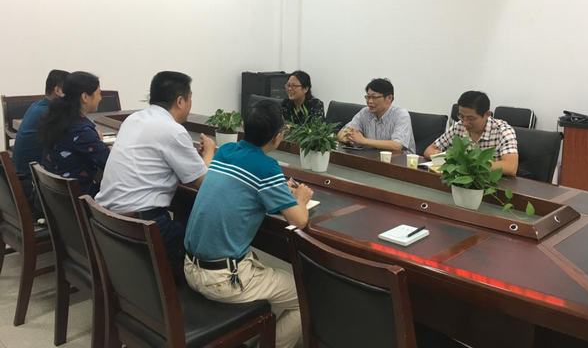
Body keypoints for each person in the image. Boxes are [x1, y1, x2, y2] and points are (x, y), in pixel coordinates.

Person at [184, 100, 313, 348]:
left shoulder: (226, 151)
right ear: (278, 136)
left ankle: (259, 335)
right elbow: (300, 220)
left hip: (191, 268)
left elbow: (222, 181)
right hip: (222, 279)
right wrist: (301, 199)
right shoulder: (267, 167)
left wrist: (278, 189)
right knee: (305, 295)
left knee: (272, 276)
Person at [95, 71, 215, 277]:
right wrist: (209, 152)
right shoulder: (172, 130)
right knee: (211, 244)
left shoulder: (133, 119)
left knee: (186, 219)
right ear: (180, 101)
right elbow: (204, 184)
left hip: (108, 222)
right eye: (190, 98)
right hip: (142, 228)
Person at [40, 71, 110, 197]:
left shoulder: (57, 119)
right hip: (80, 199)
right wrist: (99, 142)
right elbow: (110, 163)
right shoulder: (82, 131)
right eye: (98, 93)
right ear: (85, 97)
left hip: (56, 198)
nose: (101, 98)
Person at [12, 69, 69, 217]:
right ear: (58, 90)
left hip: (21, 182)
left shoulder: (37, 106)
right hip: (32, 188)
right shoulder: (49, 114)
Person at [425, 91, 518, 176]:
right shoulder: (459, 126)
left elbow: (511, 167)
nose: (465, 123)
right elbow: (429, 150)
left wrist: (470, 165)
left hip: (490, 184)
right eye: (461, 116)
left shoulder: (503, 131)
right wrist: (448, 158)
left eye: (471, 118)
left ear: (487, 114)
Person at [337, 78, 415, 153]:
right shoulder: (365, 113)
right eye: (368, 97)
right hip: (372, 158)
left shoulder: (401, 115)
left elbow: (397, 145)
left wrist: (363, 140)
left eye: (374, 97)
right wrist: (348, 136)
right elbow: (344, 132)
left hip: (401, 160)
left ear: (389, 98)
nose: (370, 101)